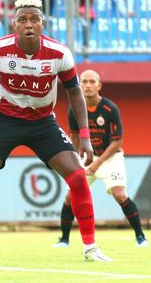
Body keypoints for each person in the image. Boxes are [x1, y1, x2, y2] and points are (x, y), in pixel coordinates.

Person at [0, 0, 111, 264]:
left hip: (43, 122)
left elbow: (75, 93)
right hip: (3, 120)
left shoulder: (60, 53)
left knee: (77, 177)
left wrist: (85, 137)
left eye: (34, 19)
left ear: (43, 23)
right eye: (23, 20)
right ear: (14, 24)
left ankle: (91, 248)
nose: (29, 24)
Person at [54, 70, 147, 248]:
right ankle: (64, 240)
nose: (87, 85)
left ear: (99, 85)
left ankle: (140, 237)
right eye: (84, 82)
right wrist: (73, 158)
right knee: (69, 196)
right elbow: (74, 136)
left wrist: (98, 162)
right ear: (79, 85)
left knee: (120, 194)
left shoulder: (110, 108)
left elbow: (118, 141)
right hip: (86, 157)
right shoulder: (75, 108)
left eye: (92, 82)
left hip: (109, 157)